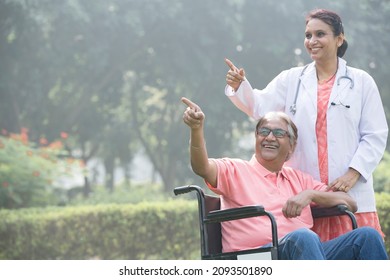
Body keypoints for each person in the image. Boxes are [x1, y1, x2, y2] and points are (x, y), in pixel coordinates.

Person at [224, 8, 388, 242]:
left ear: (339, 38)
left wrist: (354, 173)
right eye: (308, 35)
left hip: (349, 194)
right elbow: (259, 106)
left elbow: (375, 135)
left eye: (320, 34)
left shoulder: (361, 82)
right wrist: (240, 85)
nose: (312, 41)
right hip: (304, 197)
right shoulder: (292, 79)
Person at [181, 97, 388, 260]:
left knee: (366, 237)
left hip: (304, 254)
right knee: (304, 237)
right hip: (254, 258)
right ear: (257, 138)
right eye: (264, 131)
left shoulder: (298, 179)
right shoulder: (236, 170)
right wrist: (196, 130)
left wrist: (309, 195)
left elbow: (350, 202)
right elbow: (202, 167)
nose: (270, 137)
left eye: (279, 133)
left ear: (291, 145)